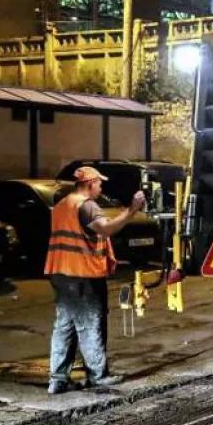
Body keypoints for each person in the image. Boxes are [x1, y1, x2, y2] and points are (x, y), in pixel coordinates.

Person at [44, 166, 146, 395]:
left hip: (60, 272)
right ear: (89, 184)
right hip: (82, 273)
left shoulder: (62, 205)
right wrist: (131, 210)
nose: (101, 187)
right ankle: (98, 375)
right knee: (91, 322)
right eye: (99, 184)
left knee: (65, 325)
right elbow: (106, 229)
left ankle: (58, 380)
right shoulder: (87, 206)